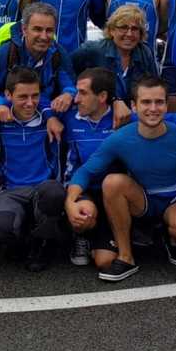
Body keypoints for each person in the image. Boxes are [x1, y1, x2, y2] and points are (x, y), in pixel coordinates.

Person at [63, 76, 176, 282]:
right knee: (112, 182)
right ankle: (126, 257)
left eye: (159, 102)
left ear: (167, 105)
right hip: (143, 200)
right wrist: (70, 202)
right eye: (146, 102)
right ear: (134, 106)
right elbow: (85, 172)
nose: (153, 108)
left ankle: (172, 239)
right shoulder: (120, 138)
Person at [0, 68, 68, 271]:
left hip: (43, 187)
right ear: (8, 95)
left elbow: (78, 97)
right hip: (11, 190)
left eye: (35, 96)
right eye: (22, 97)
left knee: (54, 192)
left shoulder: (51, 119)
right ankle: (22, 240)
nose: (30, 103)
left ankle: (44, 243)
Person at [53, 67, 121, 267]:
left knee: (105, 262)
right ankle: (80, 235)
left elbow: (165, 118)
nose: (76, 99)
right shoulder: (68, 117)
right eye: (76, 92)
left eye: (83, 93)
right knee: (85, 213)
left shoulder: (122, 118)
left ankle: (117, 231)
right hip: (80, 189)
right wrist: (50, 117)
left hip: (112, 192)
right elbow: (37, 104)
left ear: (102, 97)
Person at [0, 2, 76, 115]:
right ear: (24, 29)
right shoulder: (4, 54)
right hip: (9, 115)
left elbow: (70, 85)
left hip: (44, 114)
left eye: (49, 30)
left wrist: (68, 94)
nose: (44, 37)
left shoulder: (58, 54)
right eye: (37, 29)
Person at [70, 3, 157, 125]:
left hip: (132, 118)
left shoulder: (145, 53)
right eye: (123, 27)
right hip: (98, 118)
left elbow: (153, 86)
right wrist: (72, 93)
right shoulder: (93, 50)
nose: (129, 34)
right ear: (112, 30)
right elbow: (67, 71)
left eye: (135, 29)